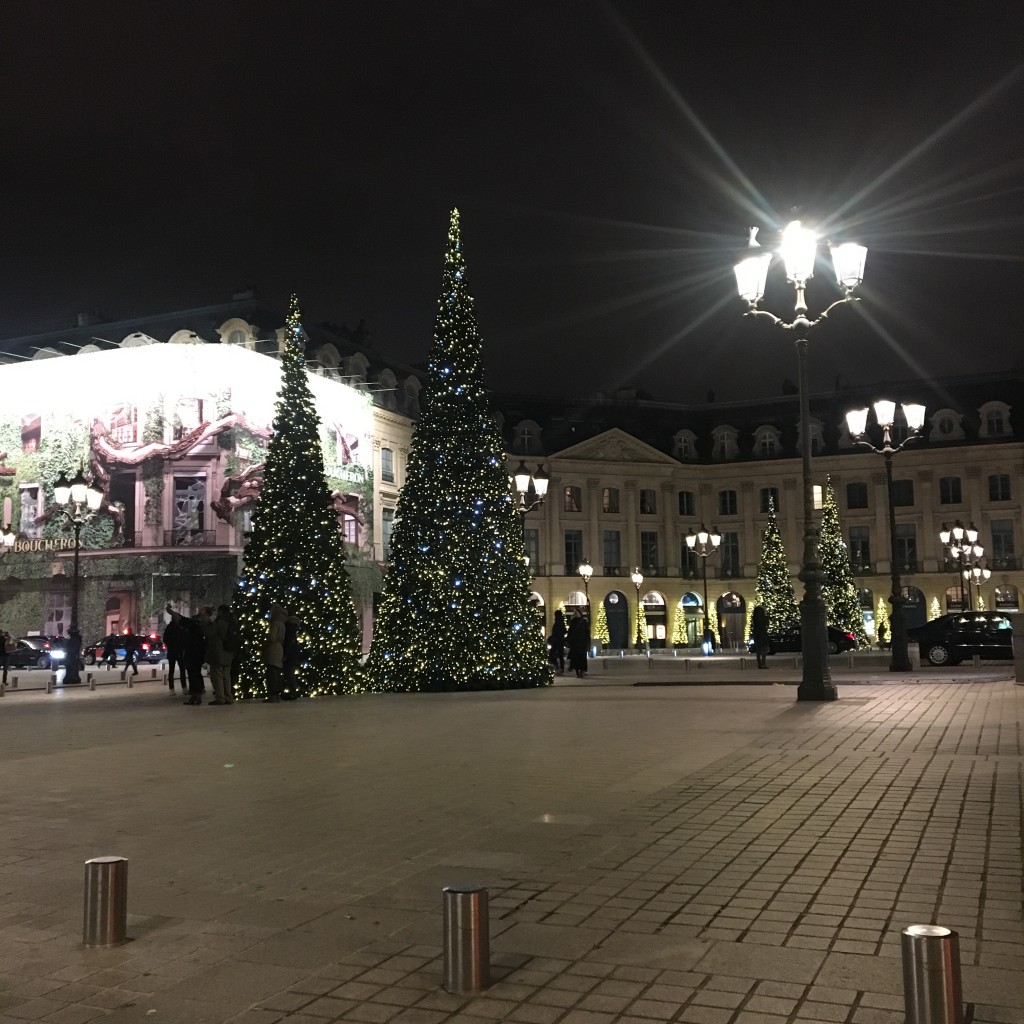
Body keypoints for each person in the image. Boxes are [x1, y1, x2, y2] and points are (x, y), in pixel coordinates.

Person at [202, 605, 235, 705]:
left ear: (220, 612)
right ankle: (228, 696)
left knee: (217, 676)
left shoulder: (220, 621)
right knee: (226, 676)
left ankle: (220, 697)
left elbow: (209, 632)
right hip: (229, 652)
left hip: (218, 652)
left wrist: (206, 621)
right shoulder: (232, 620)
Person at [263, 604, 286, 702]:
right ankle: (277, 694)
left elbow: (272, 637)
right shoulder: (283, 623)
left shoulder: (275, 623)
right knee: (276, 671)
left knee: (271, 672)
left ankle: (272, 695)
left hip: (273, 648)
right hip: (280, 647)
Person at [163, 609, 188, 694]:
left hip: (174, 651)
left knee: (173, 670)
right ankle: (183, 687)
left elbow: (165, 639)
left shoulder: (170, 628)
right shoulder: (178, 628)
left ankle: (172, 688)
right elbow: (184, 638)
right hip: (177, 651)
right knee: (180, 670)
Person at [281, 607, 303, 699]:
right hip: (293, 653)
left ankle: (292, 692)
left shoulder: (289, 626)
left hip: (290, 654)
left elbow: (288, 641)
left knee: (289, 673)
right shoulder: (294, 626)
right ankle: (292, 691)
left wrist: (285, 654)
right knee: (290, 672)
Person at [566, 608, 590, 679]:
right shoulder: (573, 621)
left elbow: (587, 633)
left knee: (582, 658)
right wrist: (568, 640)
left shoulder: (584, 621)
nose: (576, 613)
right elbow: (570, 631)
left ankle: (581, 671)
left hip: (582, 643)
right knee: (575, 658)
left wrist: (588, 641)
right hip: (575, 643)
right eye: (575, 612)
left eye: (577, 612)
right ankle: (577, 672)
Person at [547, 609, 566, 675]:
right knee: (560, 655)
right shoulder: (561, 622)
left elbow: (557, 632)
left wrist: (553, 637)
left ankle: (558, 667)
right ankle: (560, 668)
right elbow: (564, 631)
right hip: (560, 641)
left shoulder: (558, 622)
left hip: (557, 641)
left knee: (553, 655)